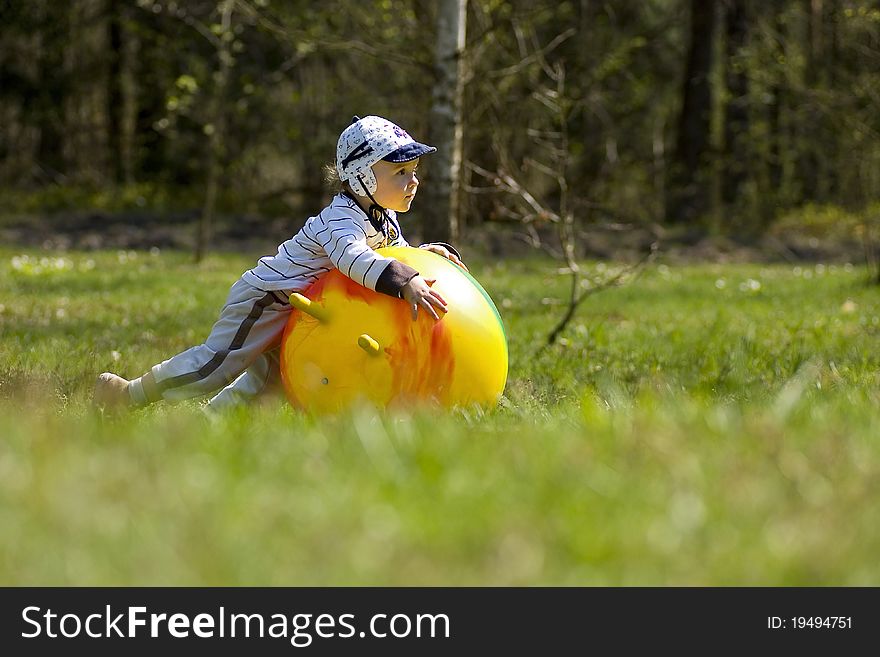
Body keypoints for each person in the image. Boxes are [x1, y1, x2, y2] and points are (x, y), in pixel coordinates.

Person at [94, 115, 466, 412]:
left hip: (302, 309)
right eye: (400, 172)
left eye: (414, 171)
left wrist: (424, 255)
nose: (413, 181)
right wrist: (405, 281)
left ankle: (208, 426)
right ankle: (126, 394)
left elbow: (389, 253)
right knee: (215, 365)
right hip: (268, 297)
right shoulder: (340, 220)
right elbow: (355, 258)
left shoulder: (382, 215)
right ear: (363, 176)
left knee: (272, 381)